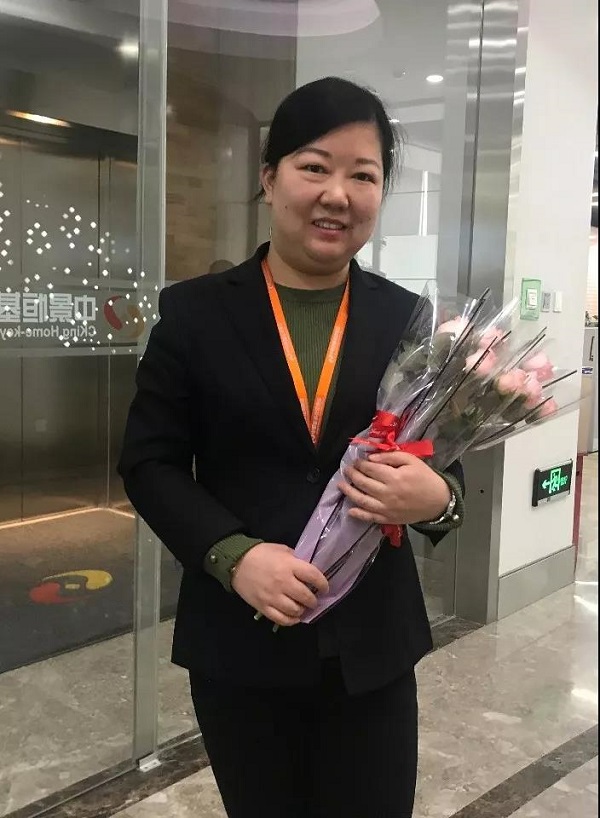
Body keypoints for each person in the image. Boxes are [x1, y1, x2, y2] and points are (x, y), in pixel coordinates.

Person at [118, 77, 465, 818]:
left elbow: (444, 462)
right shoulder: (195, 313)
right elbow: (149, 463)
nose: (338, 194)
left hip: (372, 647)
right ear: (270, 177)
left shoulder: (406, 318)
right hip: (242, 643)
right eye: (314, 167)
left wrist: (437, 497)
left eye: (363, 175)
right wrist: (233, 555)